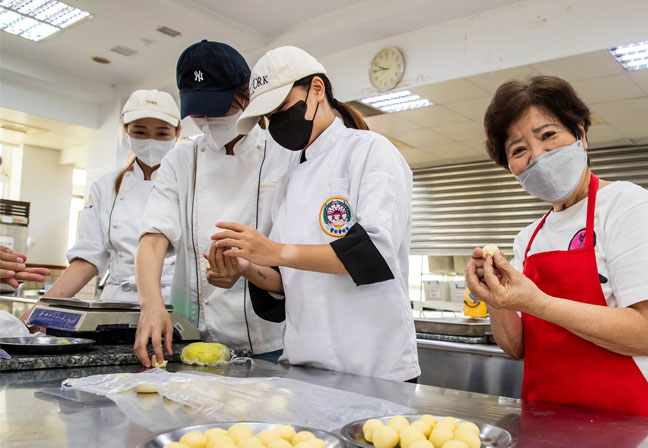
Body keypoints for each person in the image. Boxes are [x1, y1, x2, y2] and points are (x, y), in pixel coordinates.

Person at [466, 75, 648, 422]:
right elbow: (517, 348)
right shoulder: (528, 238)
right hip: (552, 421)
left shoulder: (626, 205)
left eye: (548, 136)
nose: (538, 156)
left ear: (580, 135)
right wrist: (494, 299)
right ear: (511, 168)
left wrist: (537, 302)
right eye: (518, 150)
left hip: (640, 420)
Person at [208, 46, 420, 382]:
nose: (276, 124)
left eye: (282, 109)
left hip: (373, 366)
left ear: (317, 89)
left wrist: (274, 251)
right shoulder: (290, 176)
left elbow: (373, 253)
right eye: (269, 117)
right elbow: (287, 280)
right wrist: (248, 266)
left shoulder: (370, 152)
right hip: (305, 366)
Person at [133, 40, 298, 367]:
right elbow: (153, 237)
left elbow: (291, 256)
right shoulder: (181, 160)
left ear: (246, 96)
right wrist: (151, 305)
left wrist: (246, 269)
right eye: (197, 111)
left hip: (271, 341)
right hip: (195, 338)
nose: (207, 120)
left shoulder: (284, 157)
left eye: (217, 108)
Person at [21, 90, 180, 319]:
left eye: (162, 133)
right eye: (140, 132)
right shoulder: (105, 187)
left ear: (177, 133)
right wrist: (39, 309)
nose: (150, 142)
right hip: (117, 305)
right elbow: (88, 258)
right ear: (125, 131)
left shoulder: (190, 183)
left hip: (173, 305)